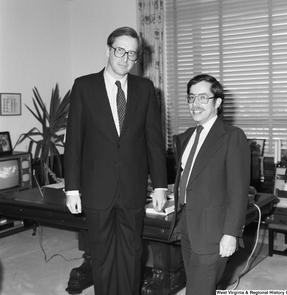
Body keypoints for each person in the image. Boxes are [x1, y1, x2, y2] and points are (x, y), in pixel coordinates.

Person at [64, 26, 168, 295]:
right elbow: (73, 142)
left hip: (133, 187)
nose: (125, 58)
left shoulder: (146, 89)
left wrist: (160, 186)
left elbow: (154, 142)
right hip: (97, 188)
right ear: (108, 50)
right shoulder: (84, 86)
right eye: (120, 50)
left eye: (132, 54)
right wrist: (72, 189)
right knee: (101, 254)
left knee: (133, 253)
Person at [169, 74, 250, 295]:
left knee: (198, 291)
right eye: (191, 97)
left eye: (203, 97)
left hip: (214, 230)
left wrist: (231, 233)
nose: (195, 104)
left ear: (218, 102)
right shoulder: (187, 137)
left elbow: (238, 190)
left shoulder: (233, 136)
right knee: (199, 286)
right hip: (187, 224)